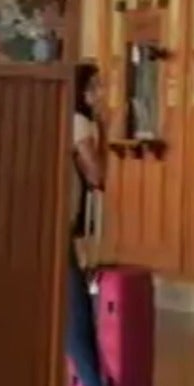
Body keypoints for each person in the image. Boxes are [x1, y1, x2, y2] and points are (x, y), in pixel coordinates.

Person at [71, 62, 107, 264]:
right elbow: (94, 169)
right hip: (78, 193)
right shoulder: (79, 122)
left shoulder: (89, 121)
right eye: (94, 86)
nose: (100, 92)